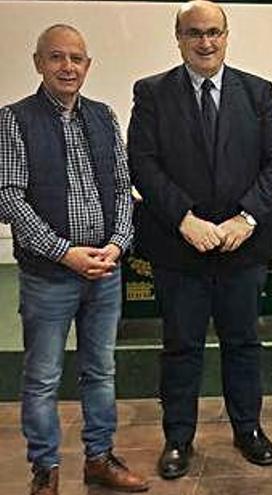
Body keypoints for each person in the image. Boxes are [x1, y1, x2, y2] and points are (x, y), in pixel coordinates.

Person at [127, 0, 272, 479]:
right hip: (180, 248)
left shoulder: (258, 92)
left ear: (226, 34)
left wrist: (246, 218)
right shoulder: (152, 92)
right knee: (181, 347)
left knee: (243, 344)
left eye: (214, 31)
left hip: (243, 246)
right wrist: (184, 219)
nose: (205, 42)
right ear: (178, 38)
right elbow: (143, 163)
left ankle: (248, 430)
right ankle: (178, 439)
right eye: (194, 33)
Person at [0, 24, 149, 494]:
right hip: (49, 276)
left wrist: (119, 243)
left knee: (100, 370)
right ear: (39, 63)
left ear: (88, 66)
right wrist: (64, 253)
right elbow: (8, 196)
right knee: (43, 378)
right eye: (57, 58)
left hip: (105, 271)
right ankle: (46, 471)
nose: (68, 67)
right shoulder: (13, 119)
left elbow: (125, 190)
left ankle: (99, 459)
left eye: (77, 59)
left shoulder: (104, 117)